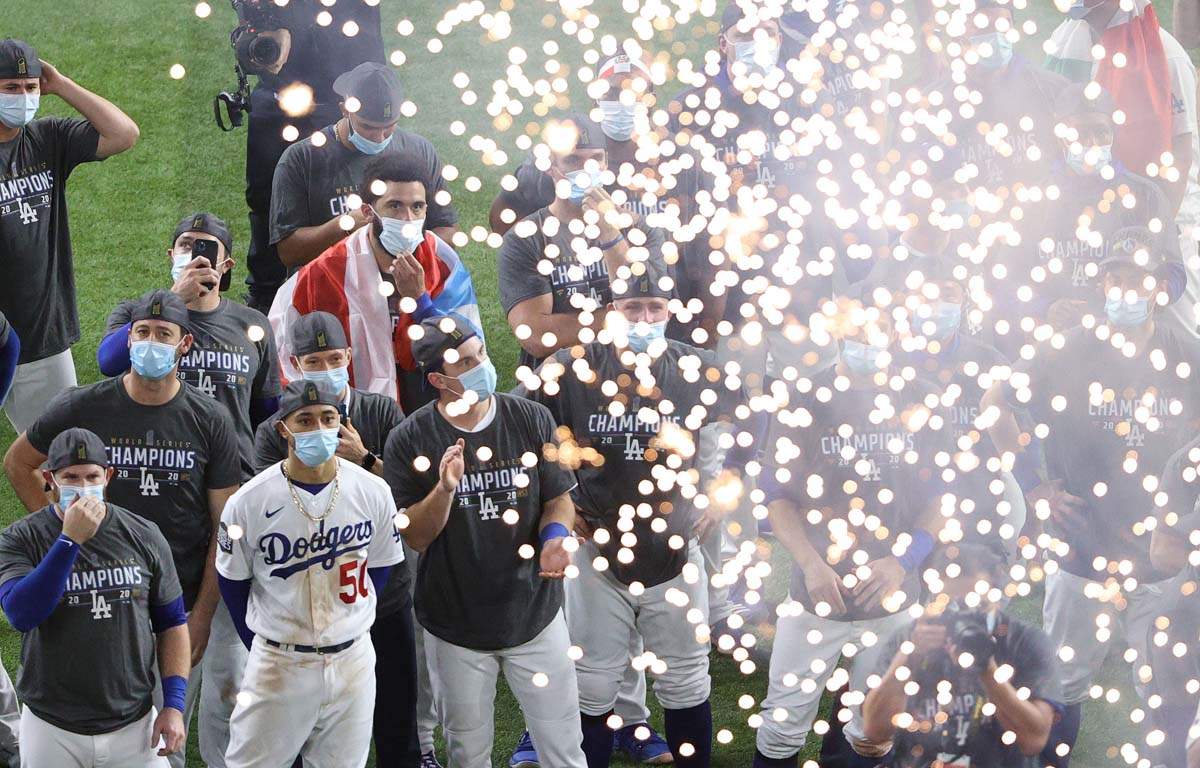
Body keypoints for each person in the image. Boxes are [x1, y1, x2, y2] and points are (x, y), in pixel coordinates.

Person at [981, 242, 1200, 767]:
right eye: (1113, 280)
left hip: (1162, 560)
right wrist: (1033, 485)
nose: (1123, 291)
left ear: (1160, 289)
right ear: (1101, 287)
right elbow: (995, 403)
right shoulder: (1065, 347)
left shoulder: (1184, 351)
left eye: (1136, 280)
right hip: (1083, 549)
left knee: (1168, 695)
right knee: (1063, 687)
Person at [2, 289, 241, 768]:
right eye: (142, 332)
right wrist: (59, 529)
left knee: (165, 731)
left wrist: (199, 614)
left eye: (163, 334)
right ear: (129, 339)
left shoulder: (210, 419)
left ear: (184, 345)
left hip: (180, 591)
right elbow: (19, 462)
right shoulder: (82, 406)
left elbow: (226, 524)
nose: (151, 342)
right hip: (89, 592)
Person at [517, 263, 729, 768]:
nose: (644, 316)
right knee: (592, 680)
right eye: (633, 307)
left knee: (686, 676)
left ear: (671, 312)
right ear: (612, 312)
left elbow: (740, 433)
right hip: (597, 548)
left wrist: (719, 492)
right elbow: (525, 436)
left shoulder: (698, 367)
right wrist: (561, 507)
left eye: (655, 307)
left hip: (676, 547)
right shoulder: (569, 367)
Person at [752, 302, 956, 768]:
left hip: (893, 598)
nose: (870, 343)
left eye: (880, 331)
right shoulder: (804, 398)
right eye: (860, 333)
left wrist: (903, 562)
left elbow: (942, 499)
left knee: (874, 731)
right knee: (783, 725)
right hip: (816, 595)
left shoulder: (920, 399)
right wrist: (811, 564)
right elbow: (778, 497)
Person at [384, 313, 588, 768]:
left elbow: (559, 498)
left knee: (563, 749)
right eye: (467, 362)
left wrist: (555, 537)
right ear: (438, 378)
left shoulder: (531, 417)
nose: (482, 366)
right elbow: (415, 537)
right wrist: (443, 490)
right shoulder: (409, 439)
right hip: (455, 625)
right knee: (467, 753)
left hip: (534, 612)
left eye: (481, 355)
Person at [253, 311, 425, 768]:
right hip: (304, 602)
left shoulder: (380, 411)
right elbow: (269, 512)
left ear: (349, 356)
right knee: (295, 721)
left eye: (333, 358)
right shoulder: (276, 429)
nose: (326, 368)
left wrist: (363, 459)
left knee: (396, 713)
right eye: (313, 360)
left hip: (382, 592)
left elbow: (409, 495)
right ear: (293, 363)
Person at [216, 380, 405, 768]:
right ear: (283, 429)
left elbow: (382, 566)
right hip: (279, 663)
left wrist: (352, 619)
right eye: (305, 419)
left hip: (352, 659)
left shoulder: (374, 491)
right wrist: (262, 646)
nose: (319, 428)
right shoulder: (249, 501)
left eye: (328, 418)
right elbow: (232, 581)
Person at [0, 428, 190, 768]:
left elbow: (172, 621)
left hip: (133, 721)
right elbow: (21, 614)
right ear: (50, 479)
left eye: (92, 476)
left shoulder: (143, 533)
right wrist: (69, 542)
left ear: (109, 476)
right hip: (51, 725)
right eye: (70, 476)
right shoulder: (20, 538)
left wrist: (174, 705)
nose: (83, 485)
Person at [270, 152, 482, 413]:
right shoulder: (321, 276)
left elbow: (470, 355)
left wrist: (421, 301)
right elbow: (281, 363)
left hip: (430, 416)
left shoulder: (443, 263)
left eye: (416, 206)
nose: (407, 219)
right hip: (355, 420)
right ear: (369, 212)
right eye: (395, 206)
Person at [0, 38, 138, 433]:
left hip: (41, 335)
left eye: (29, 88)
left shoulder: (48, 139)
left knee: (59, 456)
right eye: (11, 87)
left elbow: (124, 134)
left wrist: (61, 85)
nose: (23, 97)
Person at [98, 212, 282, 479]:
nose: (193, 253)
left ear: (226, 265)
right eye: (186, 244)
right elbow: (108, 362)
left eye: (204, 246)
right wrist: (173, 300)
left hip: (232, 472)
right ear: (171, 255)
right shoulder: (134, 314)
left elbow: (267, 410)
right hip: (161, 467)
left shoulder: (253, 324)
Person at [236, 0, 386, 314]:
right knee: (264, 197)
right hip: (279, 89)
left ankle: (355, 289)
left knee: (346, 195)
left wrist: (290, 22)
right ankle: (266, 294)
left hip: (346, 87)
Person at [856, 544, 1063, 767]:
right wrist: (908, 658)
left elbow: (1033, 740)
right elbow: (875, 731)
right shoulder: (910, 638)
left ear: (996, 596)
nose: (963, 619)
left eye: (976, 607)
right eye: (953, 608)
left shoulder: (1025, 643)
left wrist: (988, 669)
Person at [498, 112, 663, 371]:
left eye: (596, 159)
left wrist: (610, 235)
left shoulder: (639, 229)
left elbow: (652, 312)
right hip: (559, 382)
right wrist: (623, 320)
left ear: (606, 164)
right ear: (551, 166)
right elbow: (537, 337)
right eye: (573, 160)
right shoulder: (525, 239)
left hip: (625, 374)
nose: (587, 170)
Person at [270, 62, 459, 274]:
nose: (379, 137)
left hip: (403, 289)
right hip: (330, 288)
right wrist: (346, 225)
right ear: (345, 110)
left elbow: (447, 229)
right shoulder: (302, 159)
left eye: (389, 126)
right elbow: (289, 252)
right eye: (368, 127)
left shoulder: (420, 151)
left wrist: (406, 247)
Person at [1045, 0, 1196, 215]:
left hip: (1163, 216)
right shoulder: (1062, 42)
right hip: (1093, 219)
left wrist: (1160, 230)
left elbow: (1181, 156)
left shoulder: (1169, 57)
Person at [489, 52, 664, 236]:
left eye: (634, 93)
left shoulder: (677, 159)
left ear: (651, 99)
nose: (623, 101)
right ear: (595, 99)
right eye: (612, 93)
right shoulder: (561, 155)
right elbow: (502, 220)